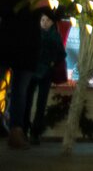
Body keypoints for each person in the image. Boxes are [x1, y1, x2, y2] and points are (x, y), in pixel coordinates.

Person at [0, 0, 51, 150]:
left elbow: (51, 13)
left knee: (21, 92)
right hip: (7, 45)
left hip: (29, 47)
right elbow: (3, 9)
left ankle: (16, 131)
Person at [22, 13, 66, 145]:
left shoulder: (54, 36)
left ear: (52, 22)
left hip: (45, 72)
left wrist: (52, 62)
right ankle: (24, 130)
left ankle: (34, 132)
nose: (44, 22)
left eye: (47, 20)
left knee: (40, 103)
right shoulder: (38, 34)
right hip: (33, 70)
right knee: (27, 101)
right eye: (42, 20)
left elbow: (62, 54)